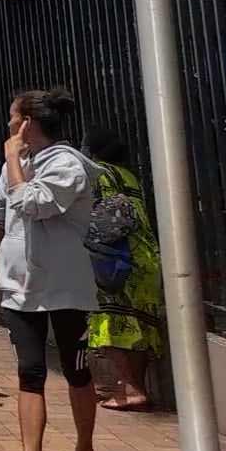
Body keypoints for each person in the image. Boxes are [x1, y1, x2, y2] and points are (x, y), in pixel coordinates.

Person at [0, 89, 100, 451]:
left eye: (14, 118)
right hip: (21, 285)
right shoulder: (13, 165)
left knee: (76, 368)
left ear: (27, 122)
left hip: (65, 286)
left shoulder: (67, 165)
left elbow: (33, 202)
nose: (9, 125)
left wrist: (13, 159)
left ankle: (84, 450)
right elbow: (1, 212)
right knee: (29, 371)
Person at [82, 128, 162, 413]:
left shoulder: (97, 172)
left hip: (115, 257)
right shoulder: (129, 176)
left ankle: (127, 389)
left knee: (110, 322)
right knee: (138, 324)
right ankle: (136, 388)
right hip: (145, 254)